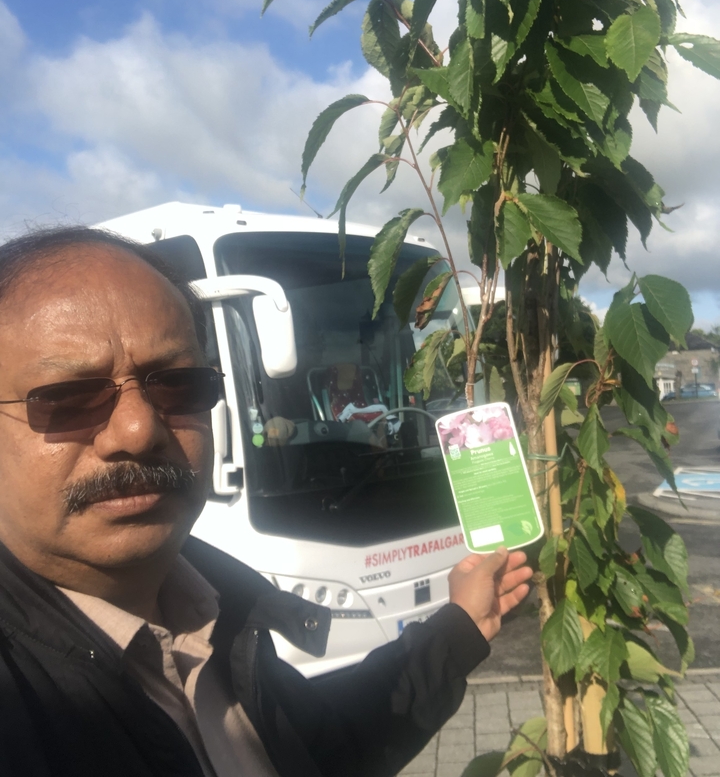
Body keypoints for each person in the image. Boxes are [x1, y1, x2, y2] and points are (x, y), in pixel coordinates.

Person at [0, 226, 533, 777]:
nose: (139, 429)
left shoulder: (217, 613)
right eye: (68, 398)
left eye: (177, 385)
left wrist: (461, 625)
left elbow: (323, 746)